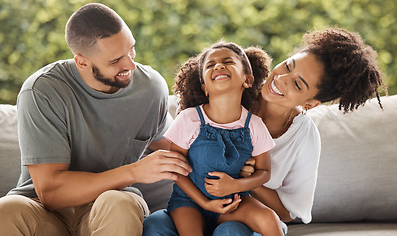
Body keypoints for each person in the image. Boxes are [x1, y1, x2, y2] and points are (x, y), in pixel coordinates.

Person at [143, 27, 386, 235]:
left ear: (311, 103)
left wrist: (246, 180)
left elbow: (286, 214)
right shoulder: (229, 91)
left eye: (298, 83)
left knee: (231, 231)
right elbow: (176, 151)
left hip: (241, 215)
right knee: (155, 225)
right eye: (288, 66)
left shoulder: (300, 136)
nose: (281, 80)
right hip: (193, 204)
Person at [0, 3, 192, 236]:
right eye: (115, 60)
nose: (130, 65)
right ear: (81, 62)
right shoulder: (42, 91)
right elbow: (51, 193)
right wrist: (133, 172)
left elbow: (175, 147)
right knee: (6, 210)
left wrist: (240, 159)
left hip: (109, 206)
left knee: (119, 204)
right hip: (43, 212)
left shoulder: (150, 87)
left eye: (131, 50)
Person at [163, 41, 284, 236]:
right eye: (210, 65)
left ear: (247, 80)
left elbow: (264, 172)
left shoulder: (254, 125)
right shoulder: (189, 118)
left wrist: (236, 185)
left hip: (234, 200)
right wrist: (205, 203)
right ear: (205, 88)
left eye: (228, 62)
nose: (218, 66)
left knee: (269, 218)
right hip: (190, 202)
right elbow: (175, 169)